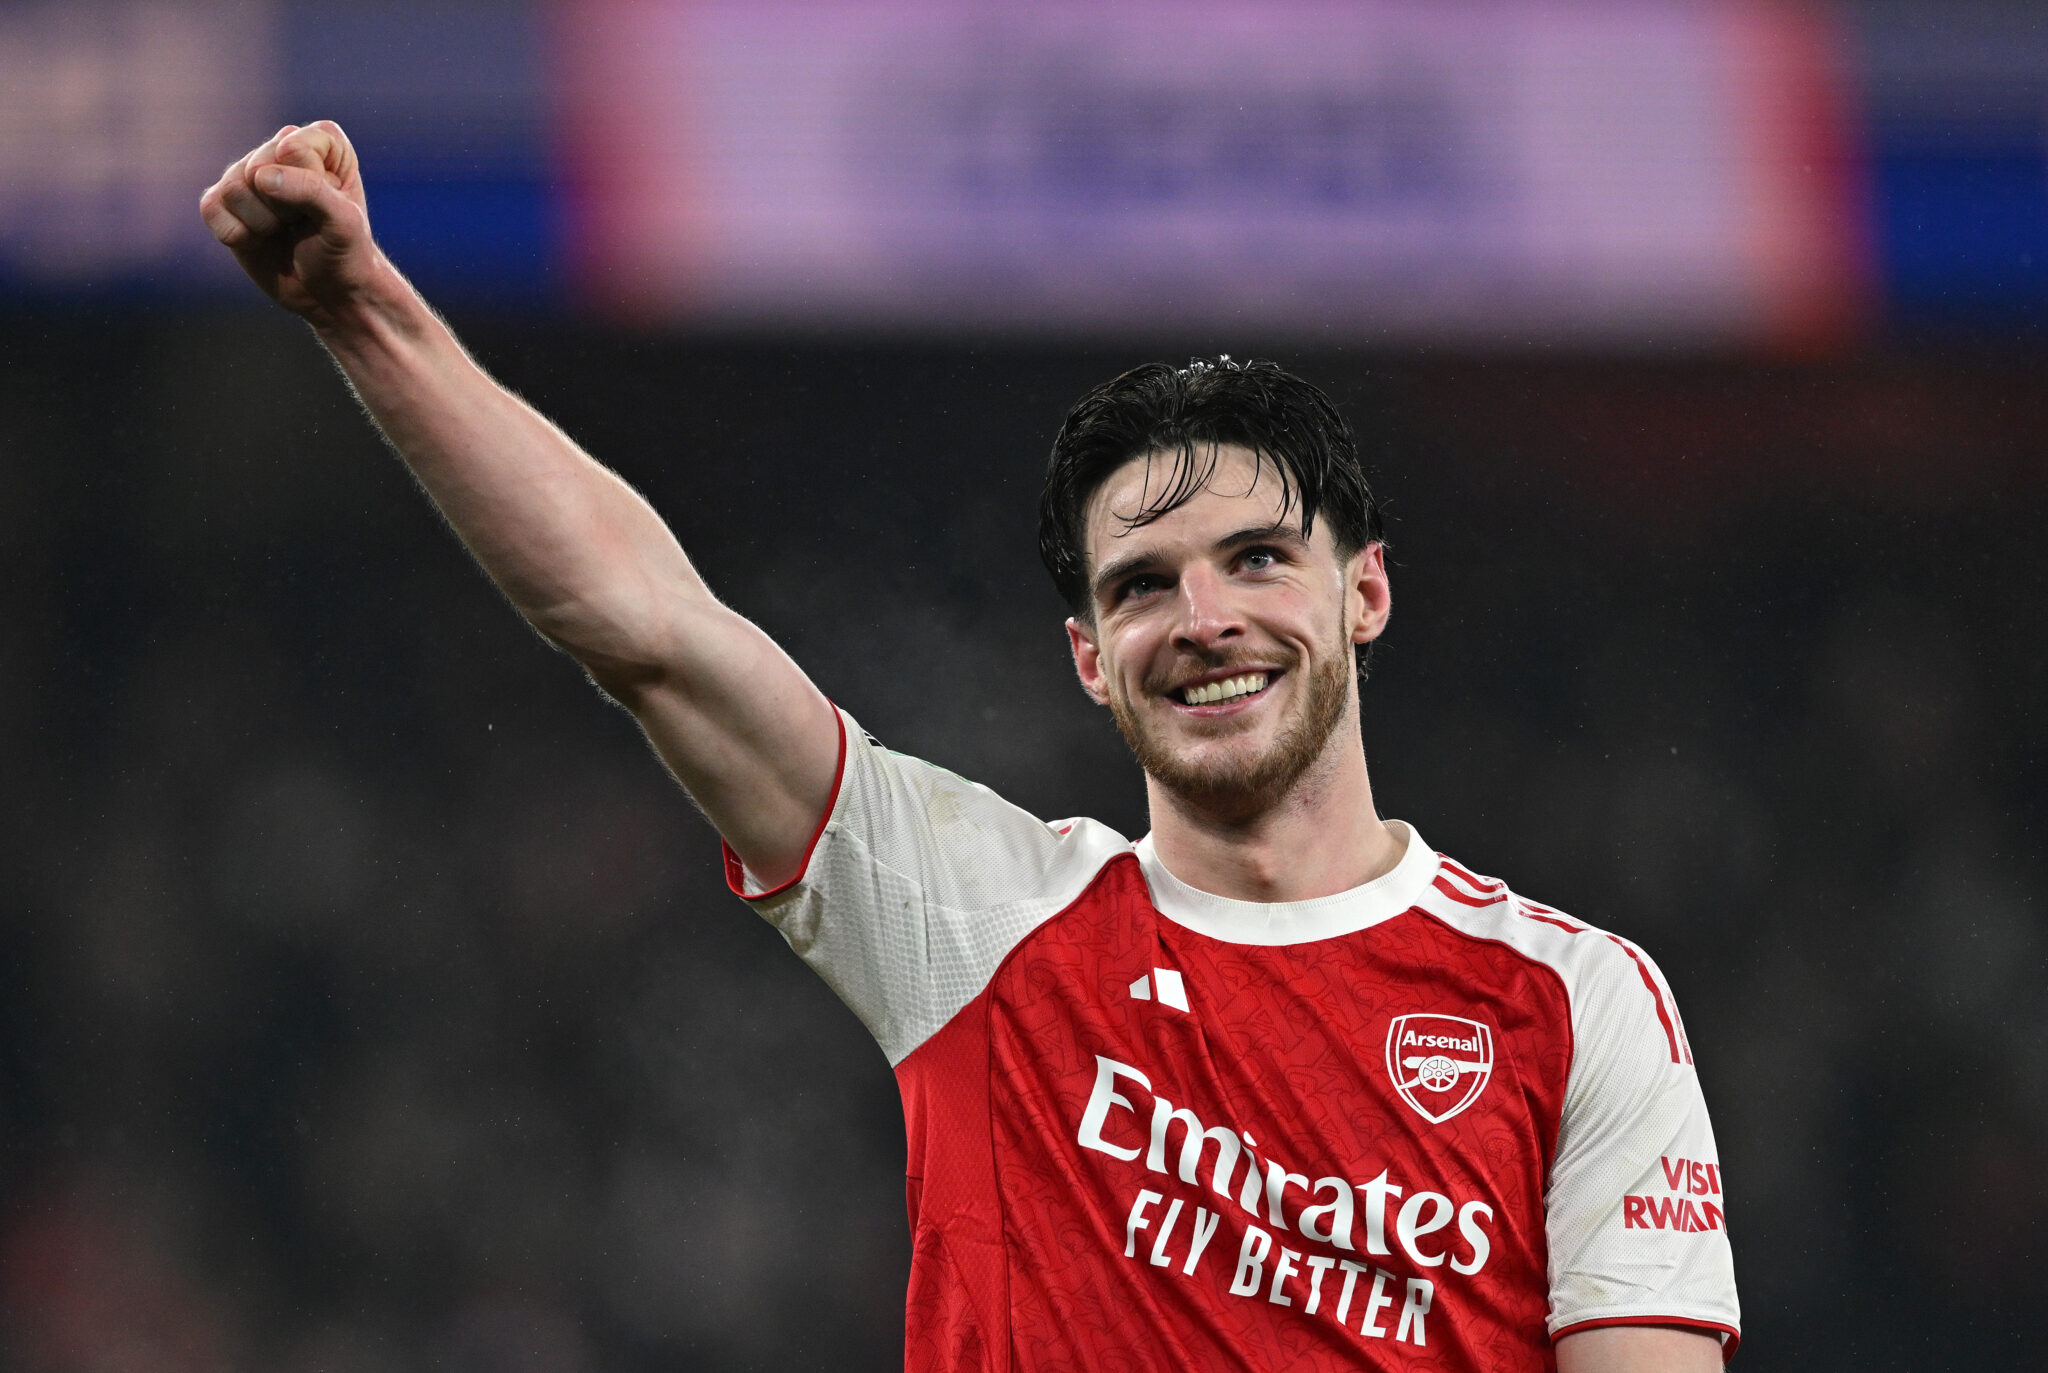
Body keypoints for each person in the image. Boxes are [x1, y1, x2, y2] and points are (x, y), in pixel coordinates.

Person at [201, 121, 1739, 1372]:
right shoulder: (984, 918)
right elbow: (646, 622)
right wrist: (364, 310)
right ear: (1089, 659)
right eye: (1142, 584)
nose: (1203, 616)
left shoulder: (1574, 1001)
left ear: (1368, 591)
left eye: (1259, 559)